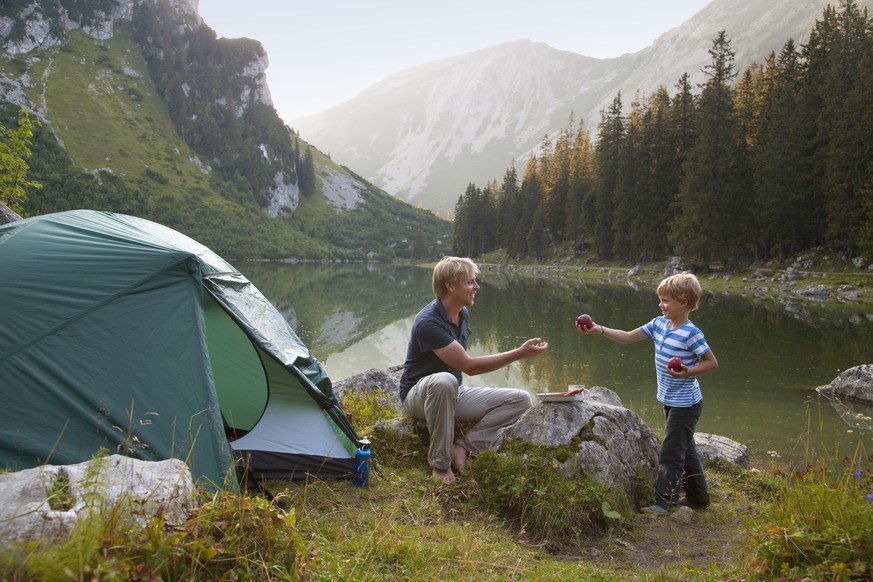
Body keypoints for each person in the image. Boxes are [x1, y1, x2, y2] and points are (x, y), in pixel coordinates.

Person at [399, 256, 549, 484]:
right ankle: (440, 465)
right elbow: (469, 366)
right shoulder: (428, 322)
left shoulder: (462, 314)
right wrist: (519, 353)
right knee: (444, 381)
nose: (476, 287)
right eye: (470, 282)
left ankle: (463, 447)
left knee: (521, 400)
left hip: (452, 392)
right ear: (450, 286)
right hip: (419, 396)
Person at [576, 272, 718, 513]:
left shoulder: (691, 333)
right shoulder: (659, 324)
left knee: (671, 452)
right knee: (686, 449)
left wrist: (687, 372)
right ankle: (699, 498)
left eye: (665, 301)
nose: (660, 305)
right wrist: (599, 329)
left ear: (683, 303)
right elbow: (629, 337)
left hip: (686, 404)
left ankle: (664, 502)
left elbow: (711, 362)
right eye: (660, 300)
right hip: (671, 401)